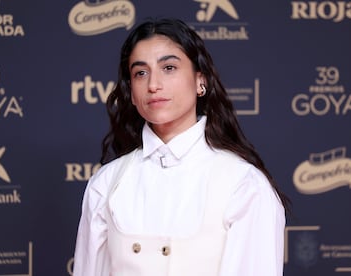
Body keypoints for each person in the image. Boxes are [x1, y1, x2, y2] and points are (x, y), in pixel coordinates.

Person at [73, 17, 290, 276]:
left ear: (201, 81)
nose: (153, 85)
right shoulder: (105, 185)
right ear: (131, 91)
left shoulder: (244, 185)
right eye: (141, 73)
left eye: (169, 68)